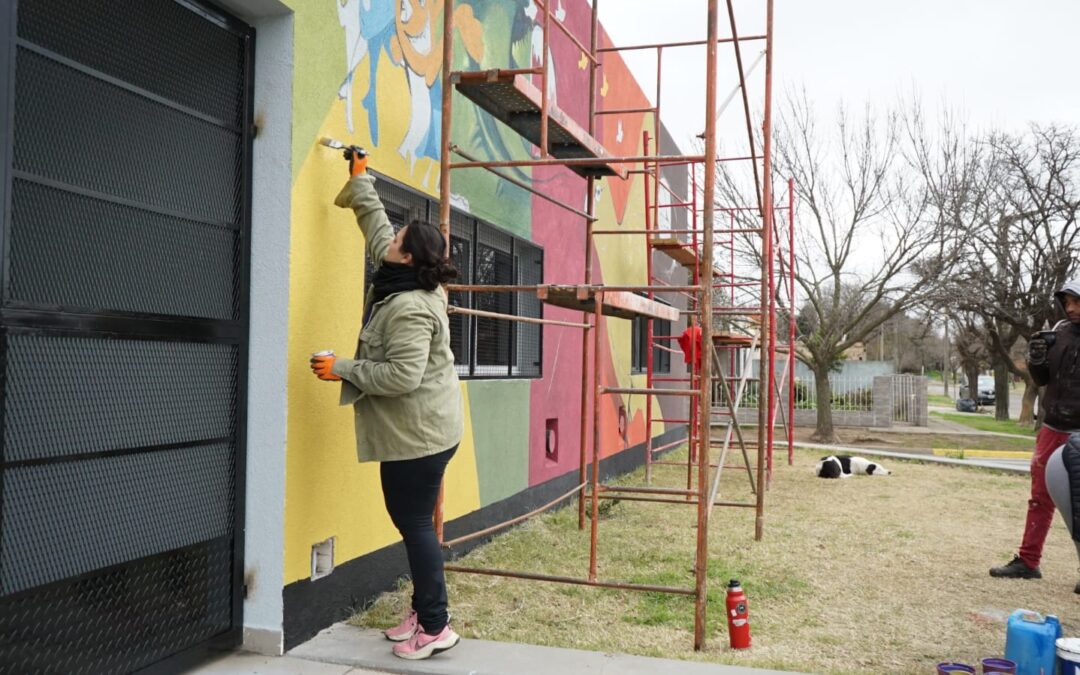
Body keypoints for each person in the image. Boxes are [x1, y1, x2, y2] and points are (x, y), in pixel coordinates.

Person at [310, 148, 464, 659]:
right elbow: (378, 230)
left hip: (420, 436)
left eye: (400, 240)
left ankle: (436, 626)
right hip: (425, 428)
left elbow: (401, 376)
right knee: (413, 524)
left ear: (409, 258)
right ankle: (424, 612)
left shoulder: (411, 307)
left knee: (415, 526)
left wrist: (342, 368)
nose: (392, 239)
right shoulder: (408, 275)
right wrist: (362, 180)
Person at [990, 280, 1080, 592]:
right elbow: (1042, 380)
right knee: (1039, 497)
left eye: (1076, 302)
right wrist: (1036, 361)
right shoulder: (1060, 330)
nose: (1070, 308)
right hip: (1052, 426)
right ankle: (1028, 562)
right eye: (1067, 302)